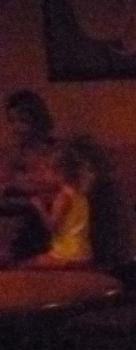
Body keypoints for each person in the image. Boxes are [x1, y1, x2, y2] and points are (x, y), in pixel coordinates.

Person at [12, 139, 93, 268]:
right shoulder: (80, 195)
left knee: (21, 267)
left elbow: (51, 226)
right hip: (83, 253)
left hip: (66, 254)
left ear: (59, 173)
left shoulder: (63, 196)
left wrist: (39, 206)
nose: (45, 174)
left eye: (47, 170)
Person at [0, 90, 57, 264]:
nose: (16, 128)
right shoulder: (12, 153)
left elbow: (58, 188)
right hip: (14, 210)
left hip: (45, 217)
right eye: (12, 121)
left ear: (38, 121)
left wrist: (20, 187)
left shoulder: (55, 152)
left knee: (23, 219)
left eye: (23, 121)